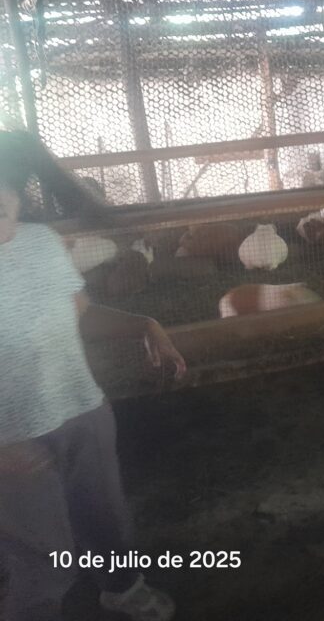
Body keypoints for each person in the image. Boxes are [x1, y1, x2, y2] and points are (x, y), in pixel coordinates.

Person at [0, 130, 186, 621]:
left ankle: (123, 589)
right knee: (39, 552)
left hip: (81, 408)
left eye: (3, 209)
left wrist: (143, 325)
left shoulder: (41, 243)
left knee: (104, 516)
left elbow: (78, 312)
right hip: (11, 438)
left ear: (17, 200)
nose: (1, 224)